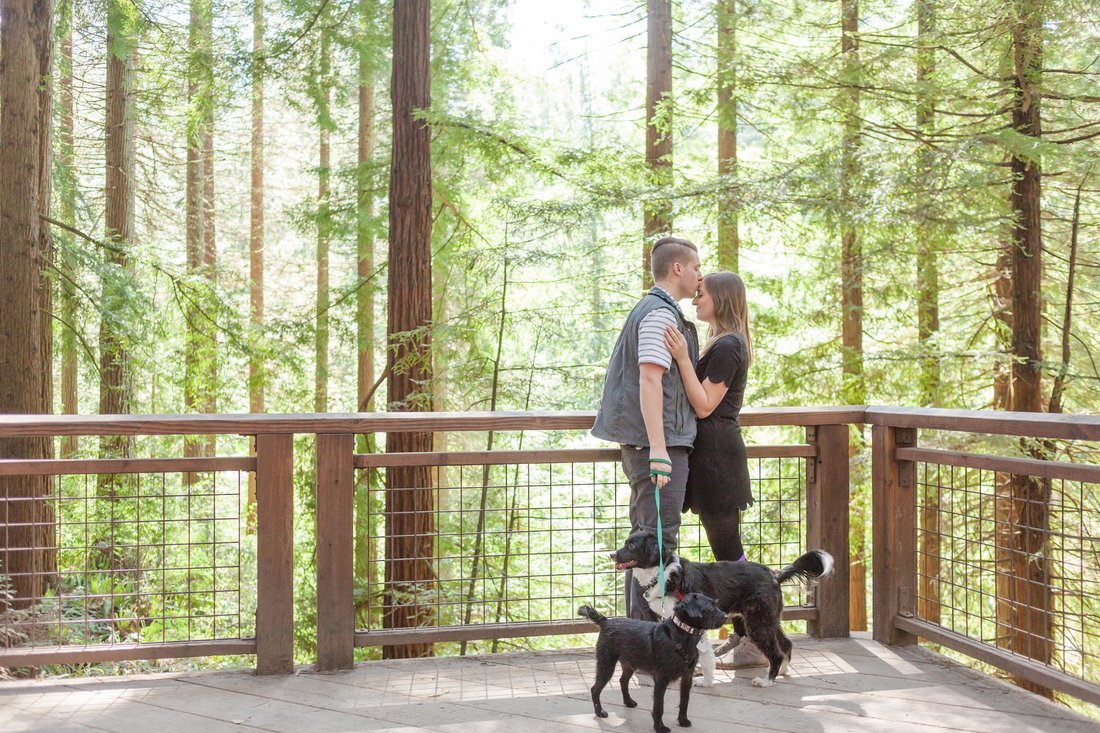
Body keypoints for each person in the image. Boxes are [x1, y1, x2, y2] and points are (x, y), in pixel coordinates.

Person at [592, 236, 702, 620]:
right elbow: (650, 380)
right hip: (657, 446)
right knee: (654, 545)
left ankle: (645, 645)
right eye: (696, 268)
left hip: (654, 444)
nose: (699, 276)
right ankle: (647, 647)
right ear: (677, 269)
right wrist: (658, 448)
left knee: (649, 540)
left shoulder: (656, 310)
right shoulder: (659, 315)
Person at [664, 270, 768, 666]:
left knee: (729, 552)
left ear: (721, 298)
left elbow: (706, 404)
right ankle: (747, 635)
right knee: (726, 554)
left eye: (702, 294)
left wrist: (680, 358)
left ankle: (757, 641)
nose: (695, 299)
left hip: (719, 459)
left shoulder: (728, 346)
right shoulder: (721, 341)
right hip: (710, 456)